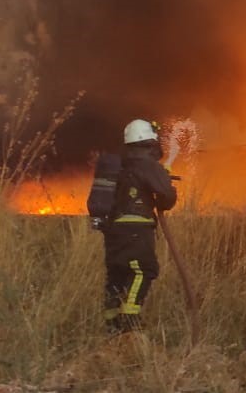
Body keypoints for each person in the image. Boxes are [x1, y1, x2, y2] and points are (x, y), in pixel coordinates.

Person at [103, 118, 177, 333]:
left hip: (113, 229)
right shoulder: (147, 165)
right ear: (149, 142)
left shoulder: (120, 165)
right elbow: (166, 198)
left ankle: (112, 324)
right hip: (136, 228)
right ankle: (130, 321)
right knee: (143, 270)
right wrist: (166, 181)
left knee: (117, 273)